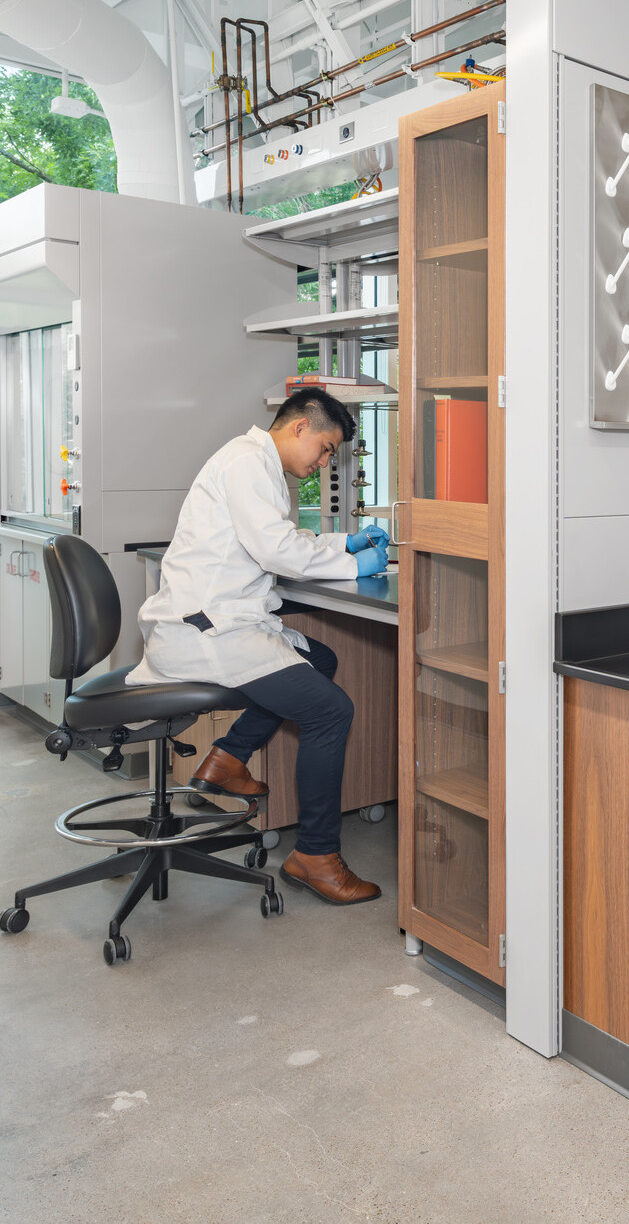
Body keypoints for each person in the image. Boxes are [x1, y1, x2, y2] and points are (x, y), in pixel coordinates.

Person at [128, 388, 392, 905]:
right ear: (299, 428)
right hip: (205, 631)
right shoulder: (248, 463)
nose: (323, 462)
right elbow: (276, 548)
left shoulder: (257, 464)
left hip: (219, 620)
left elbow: (273, 538)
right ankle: (316, 856)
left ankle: (227, 758)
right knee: (330, 711)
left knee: (322, 660)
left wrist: (343, 544)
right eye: (324, 448)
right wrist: (351, 566)